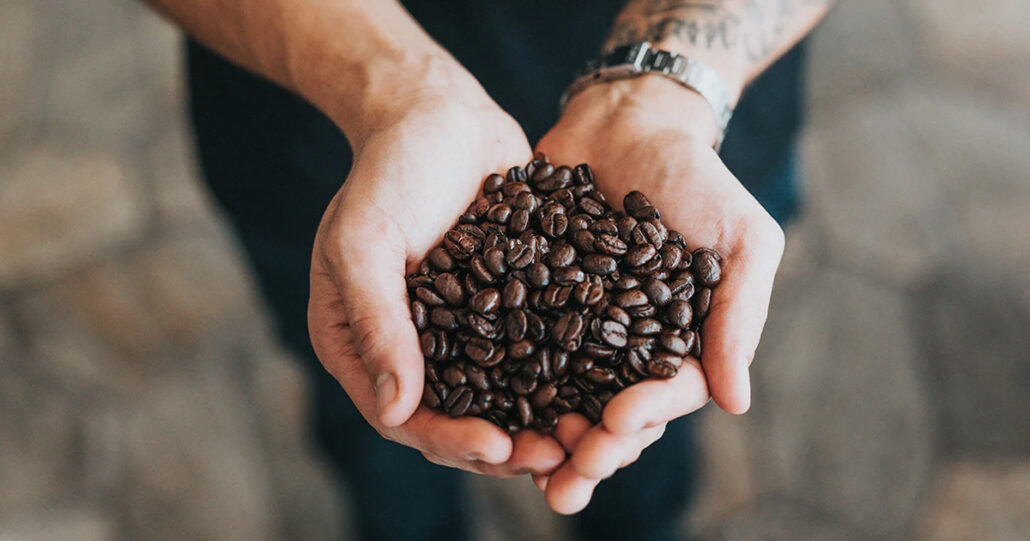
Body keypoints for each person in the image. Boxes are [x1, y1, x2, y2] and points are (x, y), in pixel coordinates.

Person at [143, 0, 833, 538]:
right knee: (384, 402)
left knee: (645, 432)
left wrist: (663, 90)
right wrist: (394, 87)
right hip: (331, 130)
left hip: (689, 134)